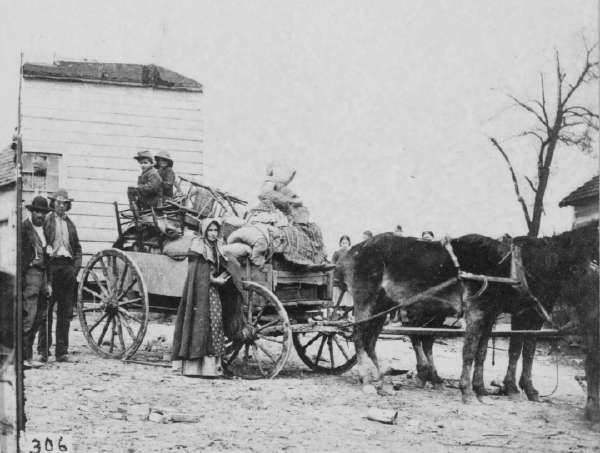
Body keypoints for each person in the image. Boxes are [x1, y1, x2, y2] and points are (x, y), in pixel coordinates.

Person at [171, 219, 242, 377]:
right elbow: (198, 272)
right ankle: (194, 368)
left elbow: (225, 263)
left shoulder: (217, 246)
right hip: (199, 293)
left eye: (215, 230)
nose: (212, 234)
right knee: (201, 324)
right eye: (210, 230)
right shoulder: (198, 247)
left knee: (215, 324)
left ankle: (211, 368)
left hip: (212, 291)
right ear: (204, 231)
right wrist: (213, 280)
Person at [40, 189, 82, 363]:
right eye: (58, 202)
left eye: (64, 203)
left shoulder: (70, 224)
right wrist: (45, 271)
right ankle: (43, 351)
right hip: (51, 267)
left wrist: (75, 269)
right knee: (46, 311)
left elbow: (78, 249)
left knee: (65, 312)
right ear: (53, 204)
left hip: (67, 269)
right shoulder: (46, 221)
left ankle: (62, 352)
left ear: (67, 205)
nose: (61, 206)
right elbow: (42, 246)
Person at [22, 196, 51, 368]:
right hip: (30, 275)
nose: (40, 215)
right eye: (37, 212)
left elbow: (48, 259)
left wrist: (49, 283)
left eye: (43, 213)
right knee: (28, 316)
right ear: (31, 212)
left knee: (40, 316)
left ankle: (29, 356)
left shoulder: (45, 230)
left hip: (43, 275)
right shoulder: (24, 229)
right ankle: (23, 357)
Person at [331, 235, 353, 310]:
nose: (344, 245)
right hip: (338, 277)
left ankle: (348, 313)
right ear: (340, 244)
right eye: (343, 243)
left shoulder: (351, 253)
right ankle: (338, 311)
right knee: (338, 296)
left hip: (347, 278)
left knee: (348, 297)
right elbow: (332, 264)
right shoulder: (337, 253)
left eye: (346, 243)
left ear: (349, 244)